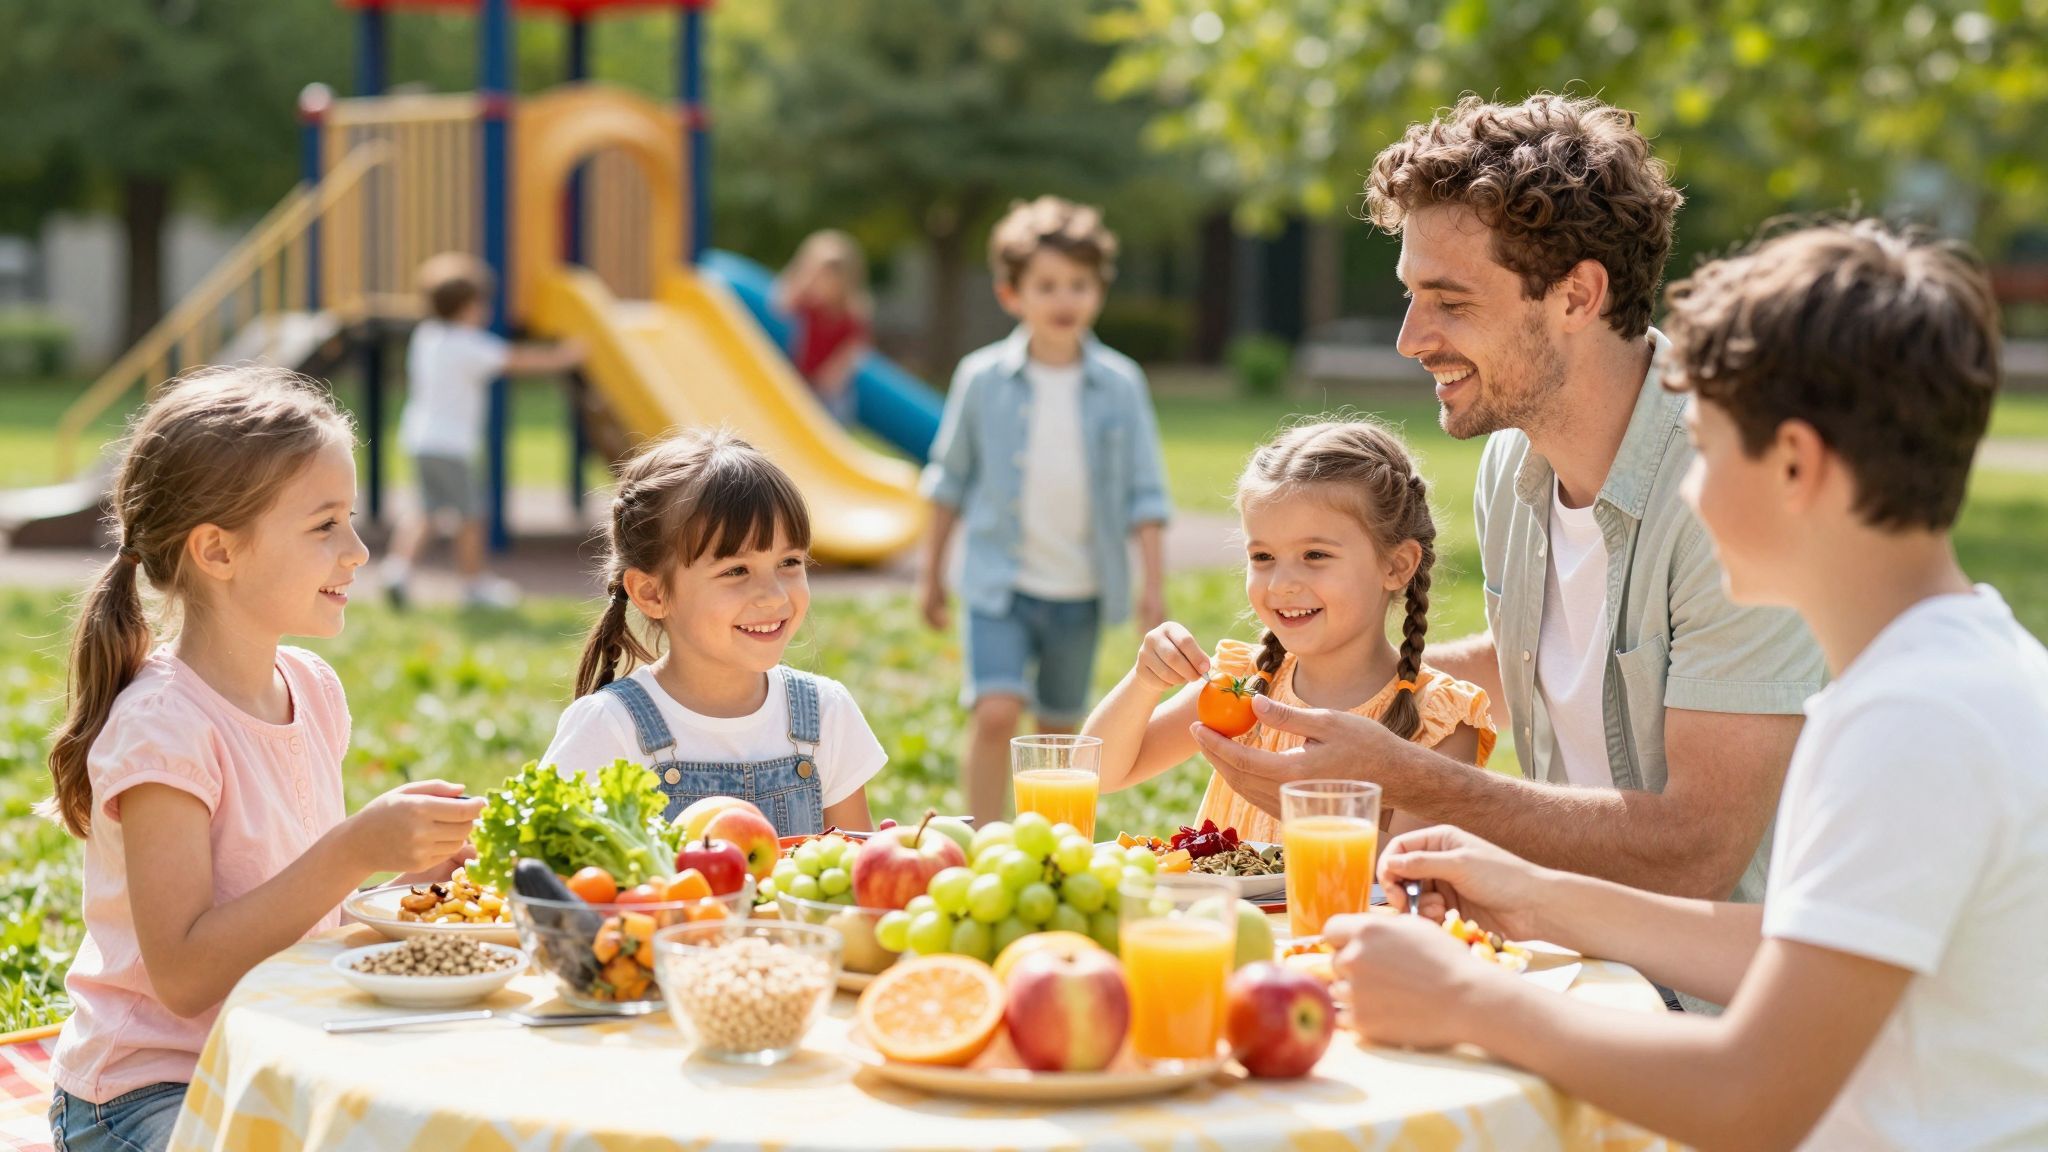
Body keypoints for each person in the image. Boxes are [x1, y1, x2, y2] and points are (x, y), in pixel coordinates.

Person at [1334, 220, 2047, 1151]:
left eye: (1706, 450)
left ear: (1796, 464)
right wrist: (1536, 895)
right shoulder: (1939, 674)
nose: (1689, 490)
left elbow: (1749, 1097)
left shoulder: (1914, 721)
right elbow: (1798, 950)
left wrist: (1472, 1002)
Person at [1196, 96, 1825, 951]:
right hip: (1562, 952)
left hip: (1714, 1013)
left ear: (1578, 293)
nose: (1411, 339)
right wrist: (1321, 679)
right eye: (1412, 297)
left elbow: (1697, 853)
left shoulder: (1733, 492)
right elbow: (1555, 652)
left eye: (1450, 301)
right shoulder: (1514, 462)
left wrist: (1404, 772)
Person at [42, 367, 483, 1152]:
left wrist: (409, 886)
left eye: (350, 520)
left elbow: (294, 915)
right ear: (217, 550)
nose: (357, 551)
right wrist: (354, 851)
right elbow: (183, 974)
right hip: (149, 1092)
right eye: (325, 526)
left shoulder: (311, 689)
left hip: (273, 1060)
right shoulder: (163, 729)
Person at [1083, 419, 1494, 843]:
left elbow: (1411, 871)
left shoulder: (1440, 720)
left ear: (1396, 565)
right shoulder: (1242, 684)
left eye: (1315, 554)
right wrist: (1144, 682)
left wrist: (1303, 810)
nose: (1281, 584)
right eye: (1262, 556)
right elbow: (1094, 773)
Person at [917, 195, 1172, 826]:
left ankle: (1055, 847)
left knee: (1060, 729)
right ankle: (981, 835)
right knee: (996, 711)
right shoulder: (980, 380)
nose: (1065, 298)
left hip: (1080, 590)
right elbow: (947, 482)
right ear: (1012, 294)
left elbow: (1146, 492)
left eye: (1080, 284)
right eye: (1047, 285)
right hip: (998, 586)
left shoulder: (1120, 383)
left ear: (1099, 292)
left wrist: (1153, 586)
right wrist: (930, 577)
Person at [541, 428, 884, 835]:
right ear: (651, 593)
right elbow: (554, 882)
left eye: (789, 562)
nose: (774, 597)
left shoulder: (827, 713)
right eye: (736, 570)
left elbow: (850, 885)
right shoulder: (610, 728)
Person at [382, 252, 584, 610]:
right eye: (482, 303)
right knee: (471, 515)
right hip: (451, 445)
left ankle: (396, 570)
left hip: (419, 438)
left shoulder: (427, 336)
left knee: (427, 510)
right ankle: (474, 585)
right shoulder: (467, 345)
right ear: (468, 307)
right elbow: (516, 360)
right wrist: (563, 357)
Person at [775, 230, 874, 425]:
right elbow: (780, 305)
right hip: (802, 378)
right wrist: (804, 279)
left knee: (836, 407)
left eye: (828, 278)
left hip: (828, 388)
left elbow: (853, 352)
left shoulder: (851, 317)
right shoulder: (807, 305)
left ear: (843, 282)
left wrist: (831, 377)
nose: (822, 284)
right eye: (816, 276)